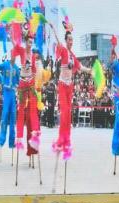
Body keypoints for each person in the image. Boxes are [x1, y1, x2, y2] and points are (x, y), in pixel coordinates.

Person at [49, 19, 90, 160]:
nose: (71, 41)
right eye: (69, 39)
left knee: (69, 115)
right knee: (65, 112)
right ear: (66, 40)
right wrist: (53, 28)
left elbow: (81, 67)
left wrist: (91, 71)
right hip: (62, 85)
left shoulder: (73, 56)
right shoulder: (63, 50)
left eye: (72, 40)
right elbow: (57, 41)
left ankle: (67, 141)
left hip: (70, 87)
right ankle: (61, 140)